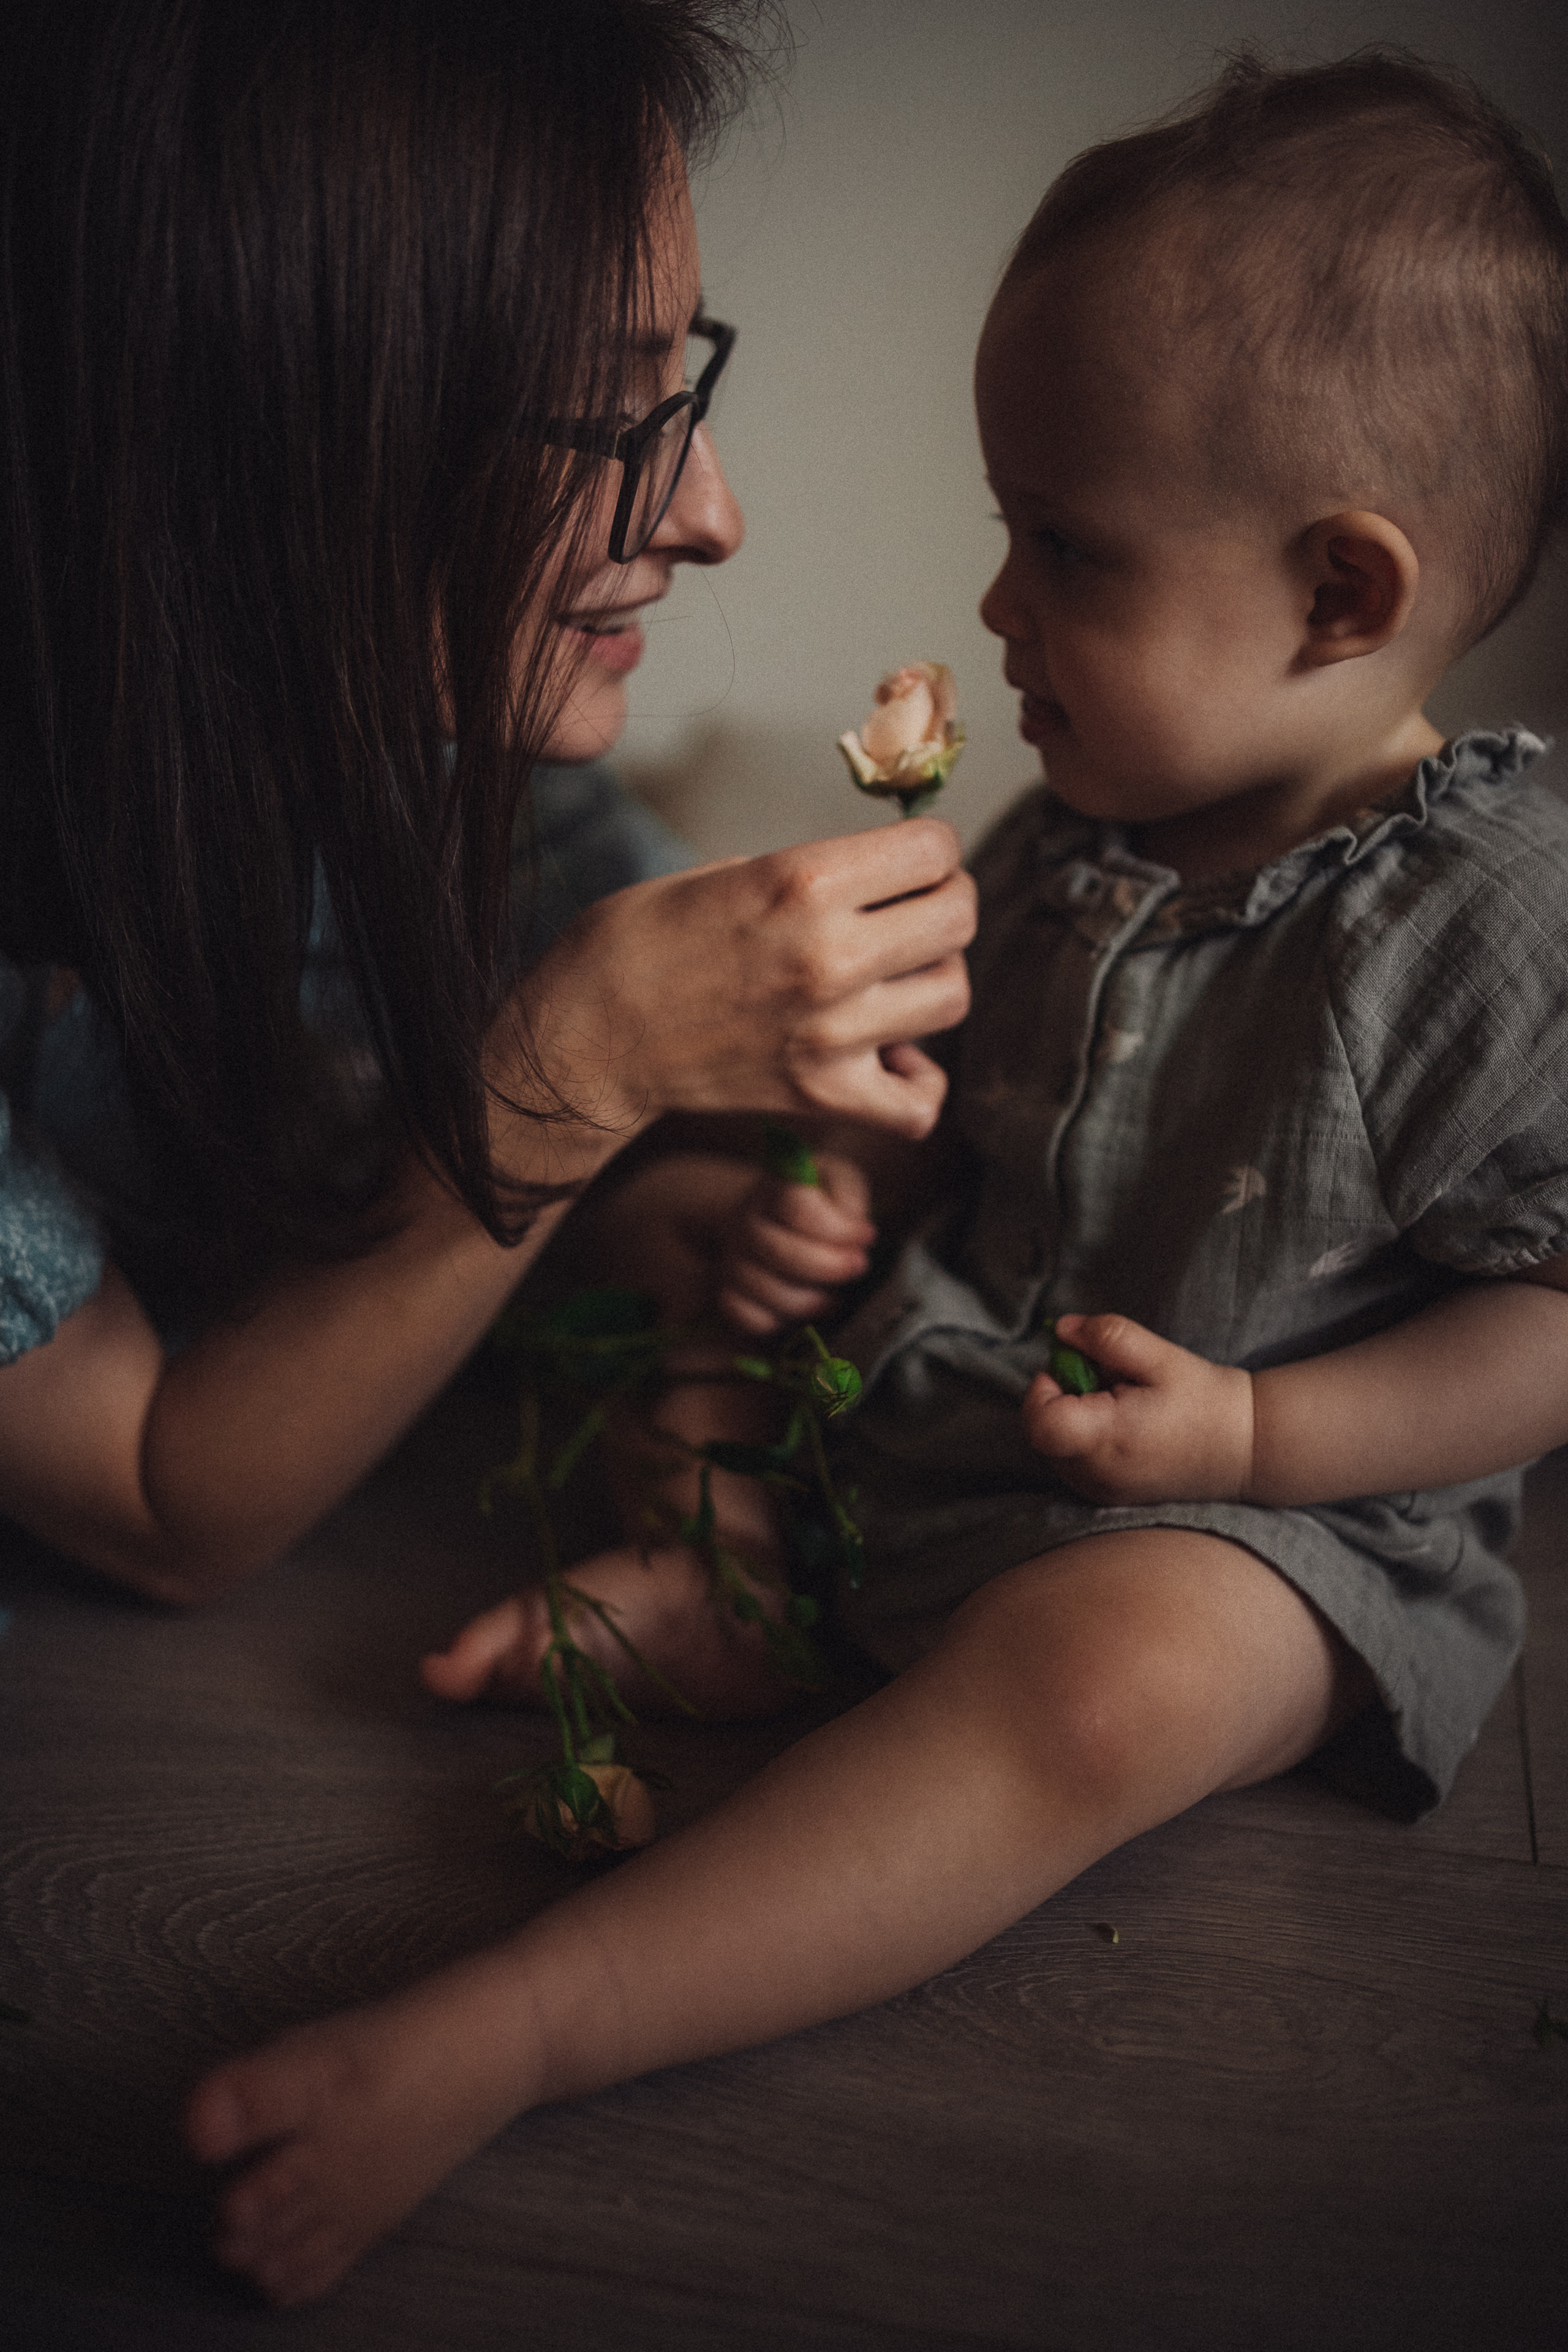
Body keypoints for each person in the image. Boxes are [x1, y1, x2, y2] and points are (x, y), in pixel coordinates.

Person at [187, 51, 1568, 2307]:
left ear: (1339, 594)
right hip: (975, 1391)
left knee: (1107, 1680)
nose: (999, 607)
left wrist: (1259, 1434)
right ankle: (750, 1604)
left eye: (1070, 548)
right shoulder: (1073, 836)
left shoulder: (1496, 917)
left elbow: (1549, 1313)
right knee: (702, 1366)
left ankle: (532, 2019)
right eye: (1009, 525)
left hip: (1288, 1516)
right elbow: (960, 1122)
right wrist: (831, 1202)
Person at [0, 0, 973, 1608]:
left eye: (686, 376)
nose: (716, 515)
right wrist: (572, 1068)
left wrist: (639, 1221)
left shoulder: (445, 774)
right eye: (612, 419)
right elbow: (161, 1503)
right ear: (242, 436)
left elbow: (656, 1127)